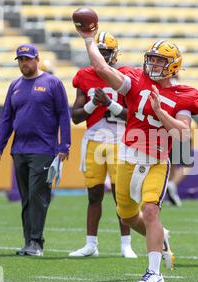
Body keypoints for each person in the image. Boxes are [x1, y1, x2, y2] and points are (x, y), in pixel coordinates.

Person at [77, 26, 198, 282]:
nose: (154, 64)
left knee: (150, 210)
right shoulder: (135, 80)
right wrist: (89, 39)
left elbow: (182, 134)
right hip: (127, 155)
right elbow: (102, 68)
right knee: (126, 214)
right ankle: (160, 236)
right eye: (152, 59)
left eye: (161, 60)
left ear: (173, 65)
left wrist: (161, 112)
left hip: (156, 159)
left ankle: (154, 272)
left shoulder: (185, 95)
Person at [0, 44, 71, 256]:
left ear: (37, 59)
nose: (24, 63)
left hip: (44, 149)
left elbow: (64, 115)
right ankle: (28, 242)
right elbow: (7, 118)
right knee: (26, 198)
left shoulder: (52, 83)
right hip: (19, 150)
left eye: (27, 59)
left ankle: (36, 242)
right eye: (20, 60)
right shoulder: (15, 85)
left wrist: (64, 145)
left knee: (38, 196)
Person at [69, 32, 137, 258]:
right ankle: (91, 244)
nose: (102, 56)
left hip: (120, 141)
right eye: (100, 52)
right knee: (94, 195)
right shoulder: (84, 76)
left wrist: (110, 104)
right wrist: (92, 105)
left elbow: (134, 116)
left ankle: (126, 244)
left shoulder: (125, 77)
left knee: (122, 196)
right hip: (95, 140)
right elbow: (76, 117)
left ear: (114, 55)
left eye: (106, 52)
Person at [165, 113, 198, 207]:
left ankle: (170, 195)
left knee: (170, 164)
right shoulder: (184, 98)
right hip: (181, 132)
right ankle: (172, 184)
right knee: (187, 164)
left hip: (166, 132)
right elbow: (196, 114)